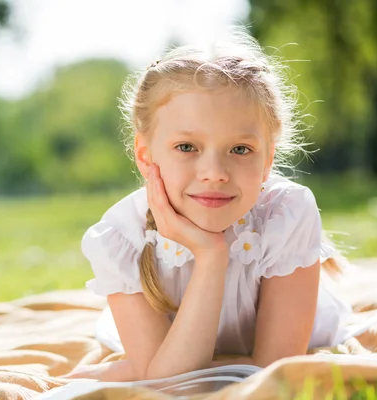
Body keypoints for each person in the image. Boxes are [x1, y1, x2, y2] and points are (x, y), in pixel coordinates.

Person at [65, 27, 352, 381]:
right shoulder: (121, 238)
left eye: (240, 149)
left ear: (267, 160)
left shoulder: (286, 214)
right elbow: (169, 383)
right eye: (187, 147)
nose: (215, 173)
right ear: (145, 154)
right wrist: (211, 255)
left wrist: (149, 369)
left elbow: (271, 371)